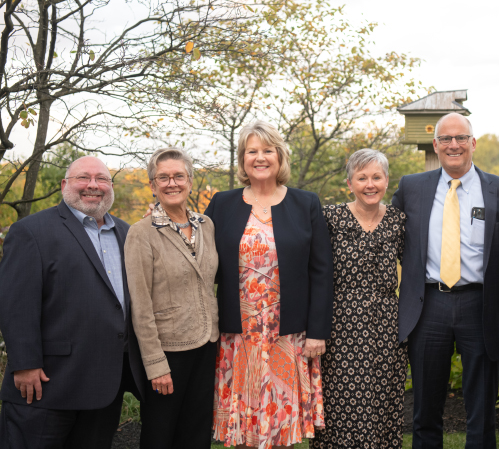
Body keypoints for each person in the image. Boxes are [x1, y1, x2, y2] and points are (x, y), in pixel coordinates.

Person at [392, 112, 499, 448]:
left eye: (461, 138)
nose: (454, 144)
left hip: (480, 304)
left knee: (481, 407)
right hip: (427, 303)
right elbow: (386, 237)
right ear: (435, 145)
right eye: (446, 139)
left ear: (473, 143)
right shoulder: (411, 187)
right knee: (425, 407)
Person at [0, 156, 147, 449]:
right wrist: (25, 363)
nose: (93, 185)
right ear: (65, 184)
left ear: (111, 187)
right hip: (48, 384)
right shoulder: (32, 231)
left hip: (105, 385)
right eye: (84, 177)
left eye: (102, 179)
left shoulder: (127, 233)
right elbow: (15, 304)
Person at [207, 120, 333, 449]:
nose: (260, 157)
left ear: (280, 157)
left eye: (267, 150)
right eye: (252, 151)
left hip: (287, 336)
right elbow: (200, 261)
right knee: (246, 428)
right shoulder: (222, 204)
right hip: (239, 336)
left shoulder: (306, 203)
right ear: (242, 160)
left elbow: (321, 271)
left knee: (280, 426)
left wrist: (318, 331)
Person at [312, 149, 407, 449]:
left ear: (387, 180)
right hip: (341, 324)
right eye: (362, 177)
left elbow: (416, 269)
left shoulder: (397, 220)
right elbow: (314, 270)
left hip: (387, 326)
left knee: (383, 400)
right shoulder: (330, 217)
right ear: (349, 183)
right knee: (341, 402)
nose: (370, 184)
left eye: (376, 177)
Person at [124, 148, 219, 449]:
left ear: (190, 181)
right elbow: (140, 305)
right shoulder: (142, 233)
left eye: (178, 176)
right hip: (168, 352)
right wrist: (156, 365)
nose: (171, 183)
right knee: (161, 436)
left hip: (207, 346)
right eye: (162, 177)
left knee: (197, 433)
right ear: (152, 185)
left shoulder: (206, 225)